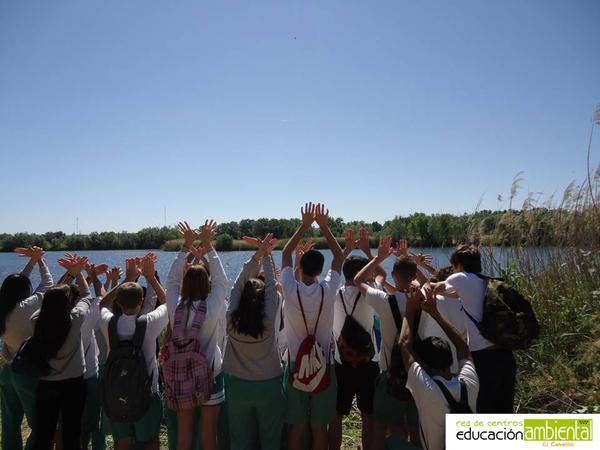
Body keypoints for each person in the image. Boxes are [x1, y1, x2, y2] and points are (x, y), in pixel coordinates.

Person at [280, 203, 344, 450]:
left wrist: (304, 225)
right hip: (323, 365)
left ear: (300, 268)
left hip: (296, 364)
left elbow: (285, 254)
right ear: (320, 271)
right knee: (319, 427)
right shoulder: (328, 291)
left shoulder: (290, 289)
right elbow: (339, 257)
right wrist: (324, 226)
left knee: (297, 426)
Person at [165, 221, 228, 450]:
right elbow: (222, 280)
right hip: (211, 376)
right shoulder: (212, 307)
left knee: (184, 433)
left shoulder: (175, 307)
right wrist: (208, 245)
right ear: (206, 284)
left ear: (185, 284)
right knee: (209, 434)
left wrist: (186, 247)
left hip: (181, 377)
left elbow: (171, 281)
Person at [431, 245, 516, 413]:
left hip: (484, 360)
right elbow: (455, 294)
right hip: (506, 357)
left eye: (453, 268)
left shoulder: (461, 278)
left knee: (482, 413)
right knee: (503, 414)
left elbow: (435, 288)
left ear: (459, 266)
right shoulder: (488, 280)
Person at [353, 237, 420, 450]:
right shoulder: (423, 300)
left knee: (380, 426)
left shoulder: (384, 301)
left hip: (388, 374)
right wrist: (407, 259)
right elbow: (425, 283)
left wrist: (375, 258)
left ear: (393, 275)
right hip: (417, 375)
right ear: (414, 276)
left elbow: (358, 280)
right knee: (415, 429)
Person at [222, 233, 285, 450]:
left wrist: (258, 255)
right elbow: (271, 286)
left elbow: (238, 284)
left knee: (240, 439)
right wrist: (266, 254)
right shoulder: (268, 319)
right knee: (271, 439)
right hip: (268, 385)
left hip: (238, 385)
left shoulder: (231, 319)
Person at [99, 253, 168, 450]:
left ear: (118, 304)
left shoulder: (109, 322)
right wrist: (151, 277)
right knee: (150, 441)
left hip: (116, 392)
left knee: (122, 442)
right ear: (142, 302)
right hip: (147, 392)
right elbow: (166, 304)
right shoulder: (148, 323)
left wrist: (127, 279)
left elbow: (102, 303)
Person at [400, 287, 479, 450]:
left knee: (392, 440)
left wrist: (409, 310)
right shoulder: (469, 382)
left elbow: (404, 346)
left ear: (425, 364)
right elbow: (464, 348)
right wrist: (435, 313)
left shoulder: (427, 388)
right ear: (451, 358)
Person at [31, 254, 92, 450]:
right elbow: (87, 296)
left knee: (44, 433)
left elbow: (50, 298)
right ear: (69, 303)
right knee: (71, 433)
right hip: (74, 385)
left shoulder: (36, 321)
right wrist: (79, 274)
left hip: (46, 384)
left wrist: (70, 274)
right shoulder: (76, 318)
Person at [329, 228, 380, 450]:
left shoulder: (333, 292)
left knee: (337, 415)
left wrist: (346, 249)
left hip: (342, 362)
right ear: (363, 274)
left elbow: (334, 270)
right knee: (368, 414)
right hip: (369, 362)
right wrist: (370, 252)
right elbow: (381, 275)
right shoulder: (371, 293)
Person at [0, 246, 52, 450]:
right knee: (41, 425)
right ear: (24, 292)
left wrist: (30, 263)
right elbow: (48, 284)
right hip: (26, 374)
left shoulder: (3, 308)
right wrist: (40, 261)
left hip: (6, 372)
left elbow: (14, 287)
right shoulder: (25, 308)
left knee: (10, 424)